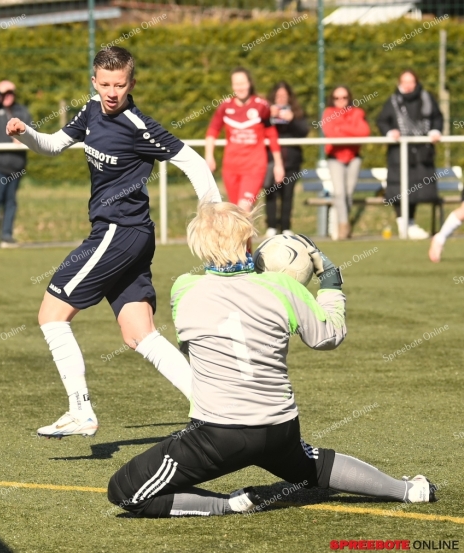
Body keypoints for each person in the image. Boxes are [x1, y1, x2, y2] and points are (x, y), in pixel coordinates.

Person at [107, 202, 437, 518]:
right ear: (249, 239)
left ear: (198, 244)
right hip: (279, 429)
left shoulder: (184, 288)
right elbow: (329, 337)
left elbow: (188, 348)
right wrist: (331, 281)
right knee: (316, 465)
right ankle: (409, 490)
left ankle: (227, 504)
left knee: (125, 491)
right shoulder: (281, 285)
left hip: (219, 435)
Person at [7, 46, 221, 438]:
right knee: (139, 333)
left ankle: (80, 411)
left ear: (131, 83)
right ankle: (214, 406)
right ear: (94, 81)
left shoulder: (139, 125)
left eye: (119, 85)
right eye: (104, 84)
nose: (111, 92)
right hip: (128, 235)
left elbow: (191, 160)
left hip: (118, 232)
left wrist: (214, 213)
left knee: (50, 315)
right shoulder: (90, 110)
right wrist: (27, 134)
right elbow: (54, 145)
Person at [205, 67, 284, 212]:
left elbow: (271, 134)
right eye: (236, 83)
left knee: (244, 208)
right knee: (235, 213)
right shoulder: (225, 107)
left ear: (250, 83)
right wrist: (209, 156)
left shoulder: (261, 105)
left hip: (254, 167)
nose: (240, 87)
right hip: (231, 167)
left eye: (243, 83)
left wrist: (279, 164)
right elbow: (213, 131)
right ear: (232, 86)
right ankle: (246, 236)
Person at [376, 70, 443, 240]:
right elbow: (382, 120)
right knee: (399, 187)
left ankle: (411, 222)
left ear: (416, 82)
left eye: (411, 81)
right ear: (399, 83)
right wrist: (390, 132)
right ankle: (403, 222)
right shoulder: (392, 101)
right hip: (399, 154)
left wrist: (435, 130)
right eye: (404, 81)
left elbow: (437, 118)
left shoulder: (427, 98)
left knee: (418, 188)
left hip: (422, 153)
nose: (408, 85)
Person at [0, 80, 32, 248]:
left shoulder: (21, 111)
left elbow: (31, 130)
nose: (7, 96)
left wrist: (22, 138)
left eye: (10, 93)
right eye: (4, 94)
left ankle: (7, 236)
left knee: (11, 201)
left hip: (16, 165)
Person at [321, 85, 371, 240]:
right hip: (335, 157)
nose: (340, 101)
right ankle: (343, 227)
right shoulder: (328, 113)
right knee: (340, 193)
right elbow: (329, 132)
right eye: (337, 98)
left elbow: (364, 132)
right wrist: (349, 130)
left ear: (349, 98)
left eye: (344, 97)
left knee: (348, 193)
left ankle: (344, 224)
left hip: (353, 157)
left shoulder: (357, 112)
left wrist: (341, 128)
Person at [263, 81, 308, 238]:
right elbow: (259, 130)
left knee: (287, 195)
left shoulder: (297, 112)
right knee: (270, 193)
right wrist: (269, 116)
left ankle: (286, 226)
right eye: (278, 96)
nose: (281, 99)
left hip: (291, 161)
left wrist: (292, 120)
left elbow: (304, 131)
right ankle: (271, 226)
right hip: (270, 161)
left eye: (284, 96)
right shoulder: (265, 112)